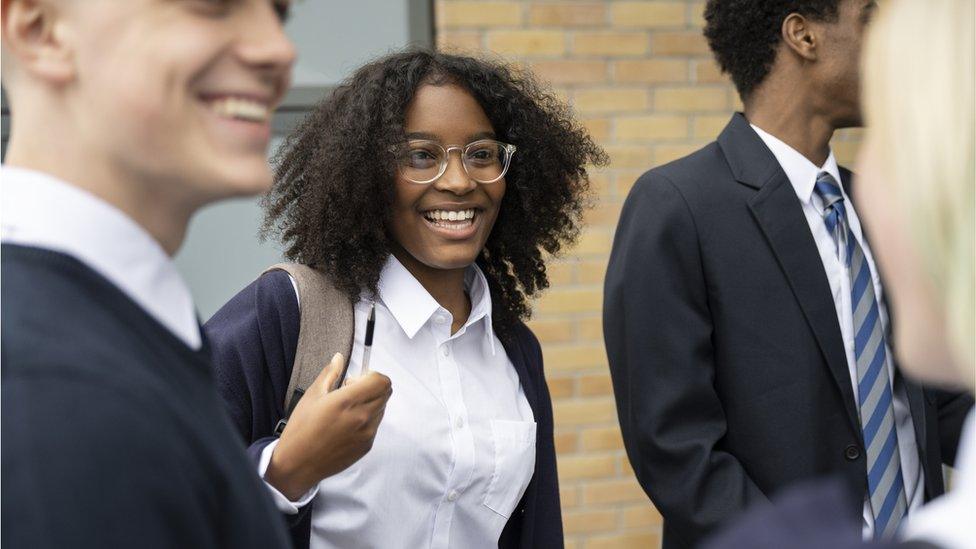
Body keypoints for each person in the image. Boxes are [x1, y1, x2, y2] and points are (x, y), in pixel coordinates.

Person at [602, 1, 974, 547]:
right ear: (802, 35)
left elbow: (940, 399)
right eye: (870, 17)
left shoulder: (880, 202)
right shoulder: (678, 206)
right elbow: (678, 453)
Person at [204, 49, 607, 549]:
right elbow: (161, 487)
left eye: (481, 153)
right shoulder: (288, 314)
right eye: (420, 156)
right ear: (369, 175)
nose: (460, 181)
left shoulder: (513, 349)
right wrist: (285, 471)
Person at [1, 0, 301, 547]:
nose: (279, 49)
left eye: (279, 11)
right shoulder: (50, 387)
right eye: (213, 7)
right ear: (39, 30)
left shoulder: (100, 327)